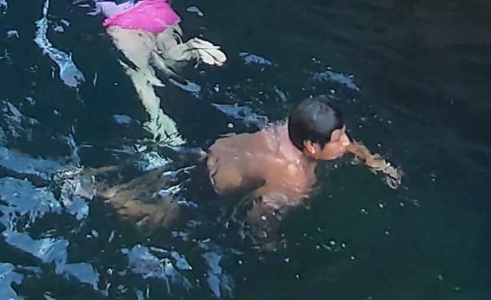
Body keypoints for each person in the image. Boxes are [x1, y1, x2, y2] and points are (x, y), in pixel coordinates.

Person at [46, 0, 225, 146]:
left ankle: (160, 123)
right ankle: (193, 48)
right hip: (159, 11)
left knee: (141, 76)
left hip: (127, 23)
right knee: (171, 62)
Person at [96, 98, 401, 231]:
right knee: (150, 213)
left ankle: (94, 183)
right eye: (339, 139)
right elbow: (259, 216)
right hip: (206, 193)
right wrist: (268, 244)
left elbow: (342, 141)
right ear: (311, 146)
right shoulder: (293, 177)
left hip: (204, 156)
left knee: (147, 180)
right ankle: (102, 198)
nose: (346, 143)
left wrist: (373, 161)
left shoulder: (289, 128)